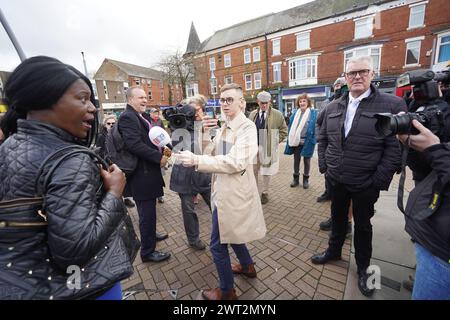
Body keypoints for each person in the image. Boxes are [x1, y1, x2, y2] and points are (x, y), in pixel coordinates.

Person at [0, 56, 136, 299]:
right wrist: (115, 193)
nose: (93, 108)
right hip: (83, 288)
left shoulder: (9, 145)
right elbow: (74, 251)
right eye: (82, 98)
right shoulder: (70, 160)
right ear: (43, 99)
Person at [311, 56, 407, 297]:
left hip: (366, 183)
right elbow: (322, 138)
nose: (357, 76)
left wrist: (377, 181)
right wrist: (325, 167)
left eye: (363, 71)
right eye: (352, 73)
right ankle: (334, 251)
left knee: (363, 226)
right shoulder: (333, 106)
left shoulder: (391, 104)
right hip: (337, 179)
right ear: (345, 77)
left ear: (372, 74)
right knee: (338, 219)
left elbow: (395, 149)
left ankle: (363, 269)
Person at [175, 83, 266, 300]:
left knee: (217, 245)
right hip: (221, 191)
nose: (224, 104)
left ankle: (227, 292)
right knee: (232, 234)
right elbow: (211, 150)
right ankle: (248, 267)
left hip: (233, 195)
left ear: (241, 103)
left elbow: (235, 162)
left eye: (229, 100)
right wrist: (204, 131)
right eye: (222, 100)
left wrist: (197, 160)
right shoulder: (225, 125)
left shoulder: (247, 128)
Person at [397, 120, 450, 300]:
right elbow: (422, 171)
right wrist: (413, 147)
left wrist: (436, 150)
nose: (412, 95)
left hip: (443, 256)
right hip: (433, 240)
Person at [118, 86, 170, 263]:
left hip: (147, 174)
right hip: (142, 176)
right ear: (130, 99)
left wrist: (164, 150)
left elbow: (149, 140)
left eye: (145, 97)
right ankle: (147, 252)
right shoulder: (127, 117)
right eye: (140, 97)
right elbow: (134, 145)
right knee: (146, 215)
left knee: (149, 213)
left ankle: (151, 236)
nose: (144, 100)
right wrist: (159, 158)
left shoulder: (139, 116)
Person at [169, 103, 211, 250]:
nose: (198, 114)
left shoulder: (203, 127)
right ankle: (193, 240)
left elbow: (208, 148)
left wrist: (202, 127)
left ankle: (224, 233)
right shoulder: (177, 129)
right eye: (195, 112)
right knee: (188, 211)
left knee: (216, 206)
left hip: (203, 174)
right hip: (184, 177)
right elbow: (175, 148)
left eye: (199, 110)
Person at [248, 91, 288, 204]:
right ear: (258, 102)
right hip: (254, 148)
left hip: (267, 148)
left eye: (266, 103)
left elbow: (284, 131)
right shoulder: (252, 114)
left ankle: (265, 193)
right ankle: (254, 191)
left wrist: (274, 141)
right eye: (262, 103)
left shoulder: (277, 114)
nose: (264, 105)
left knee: (266, 172)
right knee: (253, 171)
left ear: (270, 102)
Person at [316, 77, 346, 202]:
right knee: (328, 172)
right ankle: (328, 192)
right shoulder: (326, 103)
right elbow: (319, 121)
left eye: (341, 85)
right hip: (329, 142)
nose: (338, 87)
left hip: (345, 143)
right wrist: (319, 136)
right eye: (336, 85)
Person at [284, 93, 318, 189]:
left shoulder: (313, 113)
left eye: (304, 101)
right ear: (298, 103)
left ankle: (306, 180)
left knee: (307, 161)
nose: (302, 103)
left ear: (308, 103)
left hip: (308, 141)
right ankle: (295, 179)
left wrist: (315, 138)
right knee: (296, 160)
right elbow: (290, 126)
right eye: (300, 101)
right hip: (296, 142)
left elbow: (316, 127)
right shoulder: (295, 114)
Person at [149, 107, 166, 204]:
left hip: (160, 147)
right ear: (150, 114)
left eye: (157, 113)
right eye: (154, 113)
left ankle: (160, 196)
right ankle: (153, 194)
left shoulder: (160, 121)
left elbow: (163, 132)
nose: (156, 115)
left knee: (160, 175)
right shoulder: (147, 121)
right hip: (151, 148)